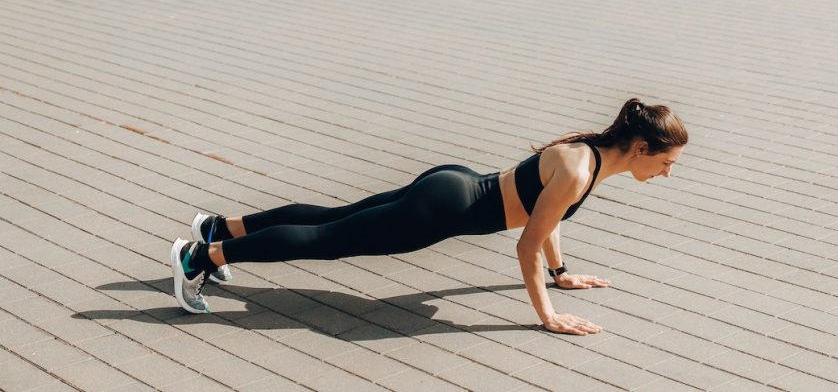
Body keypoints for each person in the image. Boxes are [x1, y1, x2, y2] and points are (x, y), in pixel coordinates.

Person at [170, 98, 688, 335]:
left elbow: (545, 219)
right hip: (441, 210)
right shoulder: (581, 171)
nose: (668, 175)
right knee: (326, 238)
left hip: (452, 182)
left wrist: (561, 273)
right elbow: (527, 242)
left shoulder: (587, 153)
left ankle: (221, 227)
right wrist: (547, 315)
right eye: (666, 164)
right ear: (640, 148)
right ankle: (200, 256)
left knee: (334, 218)